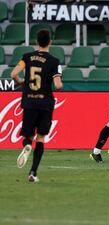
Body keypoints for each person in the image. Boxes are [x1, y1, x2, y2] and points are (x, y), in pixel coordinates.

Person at [12, 29, 63, 182]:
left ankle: (27, 144)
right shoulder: (54, 61)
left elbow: (13, 73)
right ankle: (33, 173)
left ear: (36, 42)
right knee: (40, 138)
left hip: (29, 101)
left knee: (28, 135)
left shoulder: (26, 57)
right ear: (50, 42)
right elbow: (58, 85)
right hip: (45, 103)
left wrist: (21, 81)